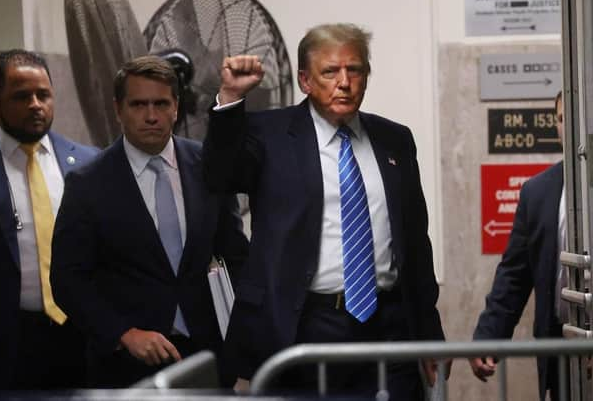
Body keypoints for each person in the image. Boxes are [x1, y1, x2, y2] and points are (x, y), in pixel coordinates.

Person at [203, 23, 448, 398]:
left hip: (389, 323)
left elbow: (414, 239)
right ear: (305, 80)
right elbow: (219, 176)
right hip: (306, 323)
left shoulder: (394, 139)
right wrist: (231, 98)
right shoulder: (269, 134)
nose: (345, 82)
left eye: (355, 70)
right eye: (330, 72)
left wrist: (430, 330)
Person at [50, 55, 249, 388]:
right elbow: (68, 280)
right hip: (125, 365)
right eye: (139, 104)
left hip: (207, 358)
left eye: (161, 103)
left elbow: (237, 256)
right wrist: (123, 334)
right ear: (118, 109)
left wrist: (247, 339)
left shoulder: (208, 167)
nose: (152, 116)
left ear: (176, 106)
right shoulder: (89, 182)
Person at [0, 49, 99, 390]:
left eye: (43, 95)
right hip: (8, 339)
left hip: (79, 333)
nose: (35, 105)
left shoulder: (88, 163)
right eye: (21, 96)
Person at [470, 91, 566, 400]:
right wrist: (489, 337)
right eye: (562, 118)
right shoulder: (538, 193)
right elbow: (514, 274)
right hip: (562, 353)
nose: (567, 126)